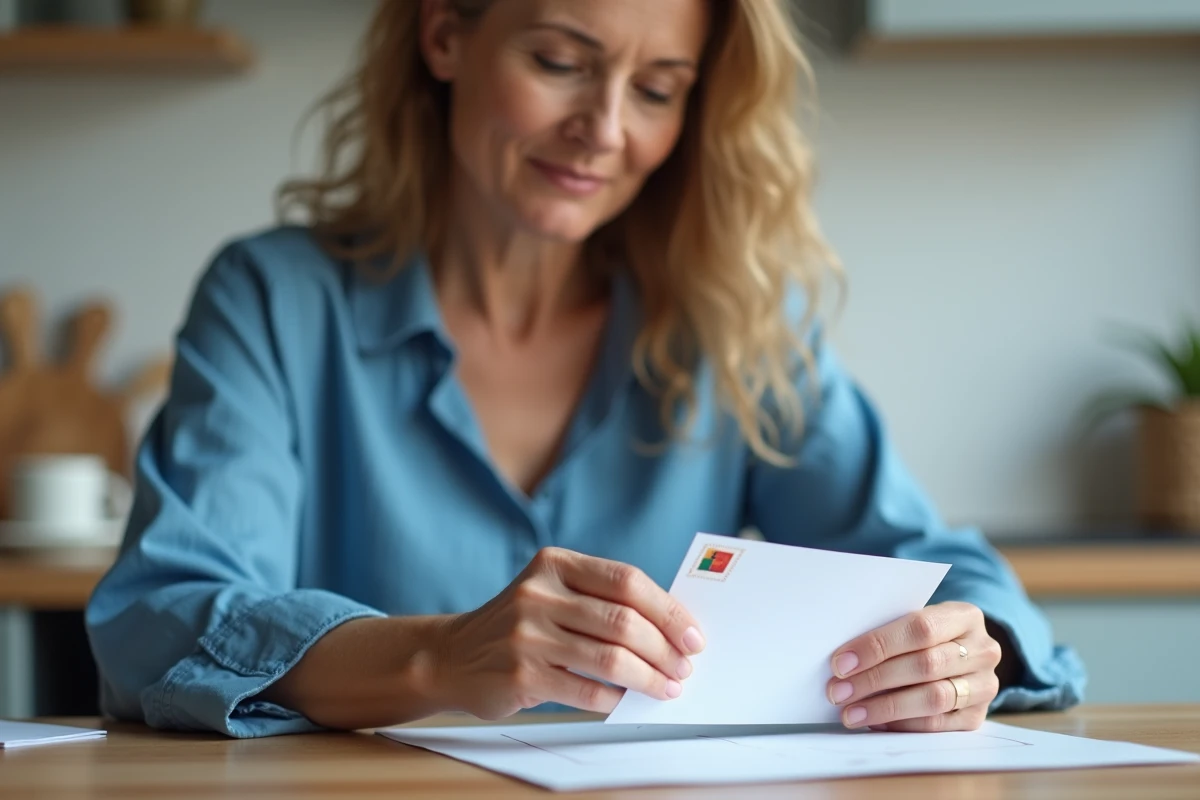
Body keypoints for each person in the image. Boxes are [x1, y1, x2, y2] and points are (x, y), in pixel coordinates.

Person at [85, 0, 1085, 738]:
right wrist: (436, 654)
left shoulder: (731, 319)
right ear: (444, 34)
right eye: (561, 61)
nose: (605, 129)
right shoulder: (275, 299)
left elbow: (958, 575)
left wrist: (959, 650)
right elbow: (160, 616)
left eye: (657, 91)